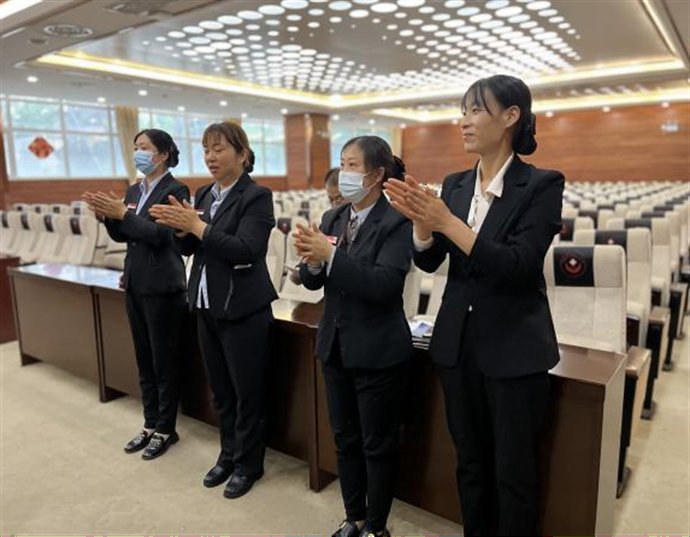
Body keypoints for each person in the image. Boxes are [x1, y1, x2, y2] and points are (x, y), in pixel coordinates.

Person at [385, 74, 564, 536]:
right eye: (462, 112)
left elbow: (518, 266)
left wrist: (447, 221)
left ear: (510, 117)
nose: (463, 121)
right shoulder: (456, 184)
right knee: (470, 463)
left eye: (475, 110)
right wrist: (422, 225)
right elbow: (430, 261)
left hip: (514, 348)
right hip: (458, 346)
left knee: (514, 472)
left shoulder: (541, 184)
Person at [149, 121, 276, 500]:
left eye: (219, 149)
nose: (210, 157)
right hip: (205, 302)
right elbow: (191, 249)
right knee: (220, 390)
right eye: (206, 149)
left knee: (246, 392)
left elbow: (246, 250)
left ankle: (249, 464)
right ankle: (228, 455)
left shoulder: (257, 196)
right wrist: (182, 230)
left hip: (243, 307)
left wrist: (197, 226)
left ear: (242, 154)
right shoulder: (204, 193)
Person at [295, 136, 413, 537]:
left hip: (378, 350)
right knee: (344, 439)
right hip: (335, 346)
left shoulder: (397, 221)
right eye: (342, 164)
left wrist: (330, 257)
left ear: (376, 175)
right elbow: (313, 280)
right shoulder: (333, 219)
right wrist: (312, 262)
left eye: (352, 166)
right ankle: (354, 517)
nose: (344, 173)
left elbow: (383, 285)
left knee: (377, 445)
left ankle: (376, 526)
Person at [83, 128, 189, 460]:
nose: (138, 153)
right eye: (136, 147)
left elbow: (160, 236)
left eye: (145, 147)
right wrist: (108, 218)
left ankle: (166, 428)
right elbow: (125, 235)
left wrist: (123, 215)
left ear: (163, 154)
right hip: (135, 282)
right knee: (144, 359)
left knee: (163, 361)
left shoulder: (176, 189)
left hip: (163, 286)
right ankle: (150, 423)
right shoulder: (134, 189)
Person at [287, 166, 345, 285]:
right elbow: (315, 263)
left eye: (339, 198)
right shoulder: (329, 219)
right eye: (331, 199)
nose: (335, 204)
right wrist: (305, 270)